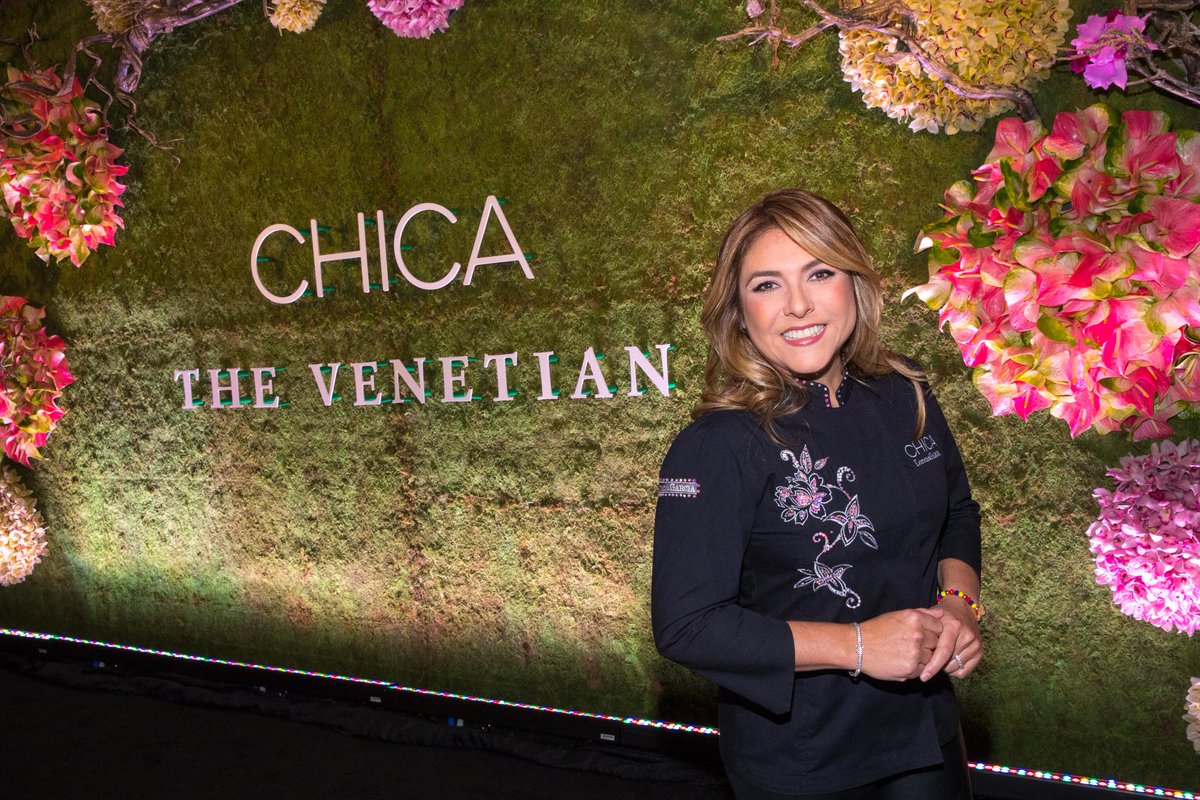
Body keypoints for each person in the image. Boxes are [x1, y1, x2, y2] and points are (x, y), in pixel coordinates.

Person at [652, 188, 982, 799]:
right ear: (738, 310)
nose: (798, 305)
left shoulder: (904, 392)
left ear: (855, 282)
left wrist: (960, 605)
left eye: (819, 273)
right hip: (805, 761)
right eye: (767, 284)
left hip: (927, 735)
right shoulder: (719, 443)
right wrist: (858, 646)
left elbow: (957, 511)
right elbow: (687, 626)